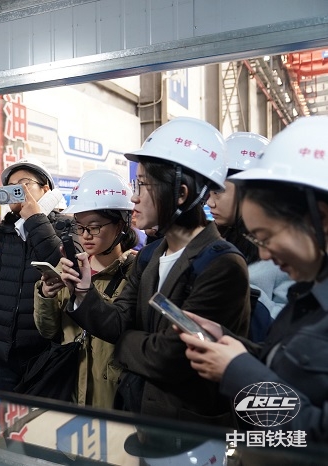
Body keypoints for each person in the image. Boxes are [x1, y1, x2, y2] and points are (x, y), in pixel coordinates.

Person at [61, 117, 250, 426]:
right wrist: (83, 293)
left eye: (143, 185)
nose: (134, 197)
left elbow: (171, 358)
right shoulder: (150, 255)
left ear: (181, 194)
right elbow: (119, 321)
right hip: (141, 417)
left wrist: (125, 344)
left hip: (189, 430)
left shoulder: (222, 265)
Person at [179, 116, 328, 442]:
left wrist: (238, 372)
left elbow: (318, 436)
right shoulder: (308, 296)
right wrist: (238, 349)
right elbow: (293, 372)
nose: (263, 255)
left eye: (267, 237)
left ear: (321, 218)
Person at [34, 169, 139, 407]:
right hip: (69, 387)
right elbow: (48, 331)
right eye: (80, 227)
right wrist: (46, 296)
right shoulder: (68, 268)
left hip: (111, 395)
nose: (85, 236)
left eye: (94, 227)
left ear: (121, 224)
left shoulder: (136, 272)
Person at [0, 157, 69, 391]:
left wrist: (35, 219)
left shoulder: (65, 226)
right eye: (10, 187)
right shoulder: (5, 230)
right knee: (7, 412)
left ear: (45, 190)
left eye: (23, 184)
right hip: (0, 349)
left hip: (43, 351)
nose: (15, 191)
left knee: (41, 413)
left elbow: (59, 265)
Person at [206, 132, 293, 342]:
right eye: (209, 193)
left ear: (251, 192)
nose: (210, 202)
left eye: (218, 192)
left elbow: (288, 326)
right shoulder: (216, 241)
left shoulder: (283, 254)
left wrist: (245, 294)